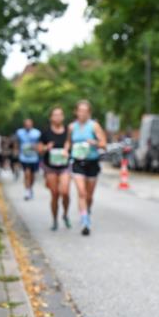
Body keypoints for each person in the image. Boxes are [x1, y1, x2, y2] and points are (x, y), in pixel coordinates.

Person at [66, 99, 107, 236]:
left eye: (85, 111)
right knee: (82, 193)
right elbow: (68, 142)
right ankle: (85, 221)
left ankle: (87, 211)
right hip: (77, 162)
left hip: (92, 162)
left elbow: (104, 144)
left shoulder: (94, 126)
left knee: (89, 195)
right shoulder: (71, 127)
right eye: (80, 111)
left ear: (89, 113)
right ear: (76, 112)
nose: (82, 113)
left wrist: (94, 142)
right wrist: (66, 150)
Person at [39, 106, 72, 230]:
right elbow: (39, 149)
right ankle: (54, 220)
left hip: (64, 165)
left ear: (63, 117)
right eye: (55, 115)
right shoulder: (46, 132)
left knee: (65, 192)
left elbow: (70, 142)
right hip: (50, 167)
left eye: (60, 114)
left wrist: (67, 149)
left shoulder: (68, 130)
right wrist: (46, 148)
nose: (58, 117)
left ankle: (65, 214)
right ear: (51, 118)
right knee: (55, 194)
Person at [15, 118, 41, 200]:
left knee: (32, 176)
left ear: (32, 124)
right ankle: (27, 191)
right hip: (24, 157)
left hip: (34, 157)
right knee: (27, 174)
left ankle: (30, 188)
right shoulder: (19, 132)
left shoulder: (37, 133)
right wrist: (16, 151)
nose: (28, 125)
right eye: (26, 124)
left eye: (29, 124)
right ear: (24, 125)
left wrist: (37, 147)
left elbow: (40, 143)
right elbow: (16, 142)